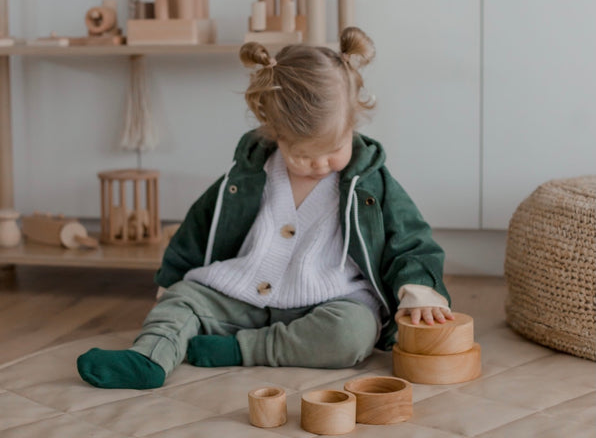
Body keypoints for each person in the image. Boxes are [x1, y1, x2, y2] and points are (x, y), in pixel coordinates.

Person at [77, 27, 453, 390]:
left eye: (333, 150)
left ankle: (246, 349)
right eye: (303, 156)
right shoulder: (250, 175)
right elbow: (198, 227)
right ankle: (149, 359)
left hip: (328, 303)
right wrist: (172, 281)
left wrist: (418, 290)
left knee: (353, 334)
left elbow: (409, 237)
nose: (320, 164)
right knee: (182, 301)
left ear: (353, 123)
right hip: (243, 295)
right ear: (274, 133)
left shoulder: (370, 183)